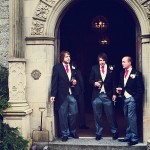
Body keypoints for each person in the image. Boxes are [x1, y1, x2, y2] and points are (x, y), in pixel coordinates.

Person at [50, 51, 79, 142]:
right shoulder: (57, 67)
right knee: (62, 115)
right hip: (61, 95)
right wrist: (53, 95)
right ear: (62, 58)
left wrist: (74, 81)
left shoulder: (72, 67)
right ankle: (65, 133)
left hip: (71, 94)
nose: (68, 58)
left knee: (74, 113)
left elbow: (73, 78)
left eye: (69, 56)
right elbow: (54, 81)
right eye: (66, 56)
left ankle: (73, 131)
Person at [89, 52, 118, 140]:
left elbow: (114, 82)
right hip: (96, 95)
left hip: (107, 95)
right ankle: (98, 133)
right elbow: (90, 79)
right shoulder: (94, 68)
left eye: (103, 60)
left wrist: (114, 94)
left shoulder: (111, 68)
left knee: (110, 115)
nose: (101, 62)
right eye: (100, 60)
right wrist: (94, 83)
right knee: (97, 115)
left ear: (106, 60)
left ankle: (114, 131)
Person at [117, 56, 144, 145]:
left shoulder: (136, 73)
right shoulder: (121, 73)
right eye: (122, 62)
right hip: (124, 98)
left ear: (130, 63)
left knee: (132, 118)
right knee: (126, 117)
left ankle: (134, 137)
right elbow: (121, 84)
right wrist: (119, 90)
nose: (122, 63)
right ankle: (128, 136)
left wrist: (134, 98)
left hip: (132, 98)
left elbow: (140, 88)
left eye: (124, 62)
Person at [72, 62, 89, 129]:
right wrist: (83, 90)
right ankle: (82, 124)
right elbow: (81, 80)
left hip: (72, 92)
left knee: (73, 109)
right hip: (78, 92)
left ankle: (73, 126)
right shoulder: (77, 71)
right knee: (81, 108)